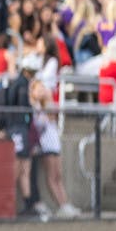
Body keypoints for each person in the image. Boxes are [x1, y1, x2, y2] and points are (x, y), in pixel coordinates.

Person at [0, 53, 41, 217]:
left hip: (19, 130)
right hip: (18, 130)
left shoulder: (17, 84)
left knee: (23, 169)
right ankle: (10, 204)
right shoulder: (21, 86)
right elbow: (23, 111)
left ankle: (26, 204)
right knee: (18, 169)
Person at [29, 80, 80, 219]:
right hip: (45, 145)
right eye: (38, 89)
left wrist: (47, 97)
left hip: (54, 144)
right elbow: (38, 124)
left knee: (58, 176)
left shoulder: (46, 105)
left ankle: (66, 204)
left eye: (43, 88)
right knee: (52, 177)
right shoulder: (34, 107)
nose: (42, 91)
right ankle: (61, 205)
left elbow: (53, 115)